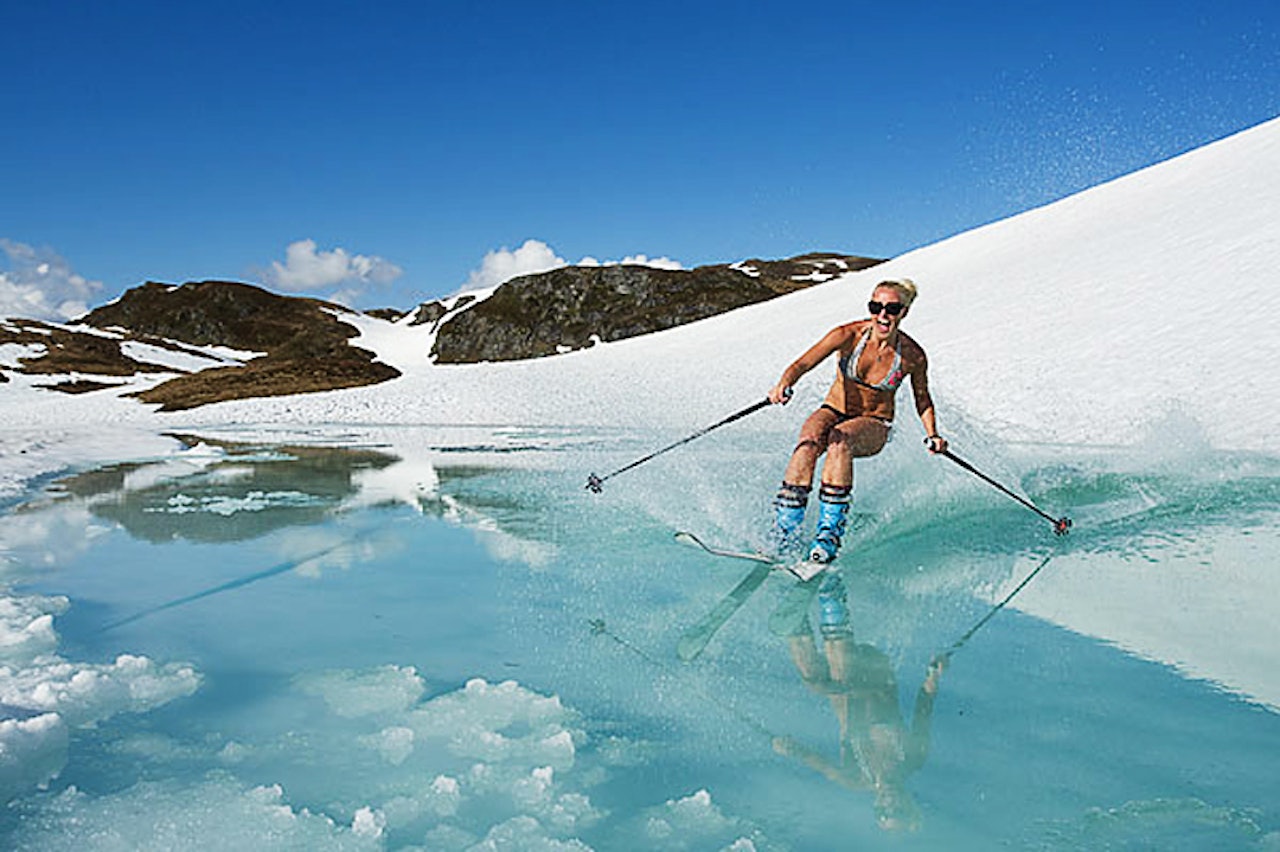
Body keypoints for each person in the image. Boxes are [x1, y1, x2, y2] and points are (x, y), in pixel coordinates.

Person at [767, 278, 947, 563]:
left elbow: (922, 399)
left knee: (840, 440)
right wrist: (784, 383)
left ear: (904, 312)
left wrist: (933, 433)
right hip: (834, 409)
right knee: (809, 438)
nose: (883, 315)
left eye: (892, 308)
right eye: (876, 307)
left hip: (875, 423)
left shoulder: (913, 355)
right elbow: (802, 364)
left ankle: (828, 536)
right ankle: (784, 533)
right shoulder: (847, 335)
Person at [772, 573, 946, 833]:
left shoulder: (853, 777)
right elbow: (924, 708)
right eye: (896, 810)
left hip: (837, 687)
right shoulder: (912, 757)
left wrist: (788, 747)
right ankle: (830, 587)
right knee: (840, 676)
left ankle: (787, 588)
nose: (888, 804)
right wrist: (935, 674)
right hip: (873, 673)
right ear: (909, 804)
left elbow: (814, 760)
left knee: (810, 673)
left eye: (881, 811)